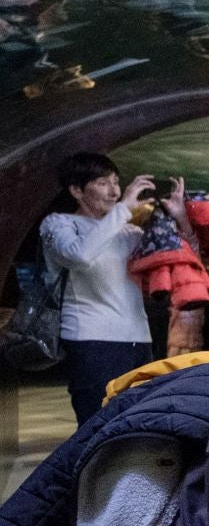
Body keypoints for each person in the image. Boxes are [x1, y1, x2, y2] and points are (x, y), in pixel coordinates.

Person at [38, 155, 183, 425]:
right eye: (103, 183)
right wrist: (124, 209)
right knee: (96, 423)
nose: (115, 191)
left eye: (117, 182)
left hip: (139, 339)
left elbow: (178, 261)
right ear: (76, 190)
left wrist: (180, 219)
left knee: (134, 423)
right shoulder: (59, 224)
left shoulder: (127, 231)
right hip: (91, 339)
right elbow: (79, 256)